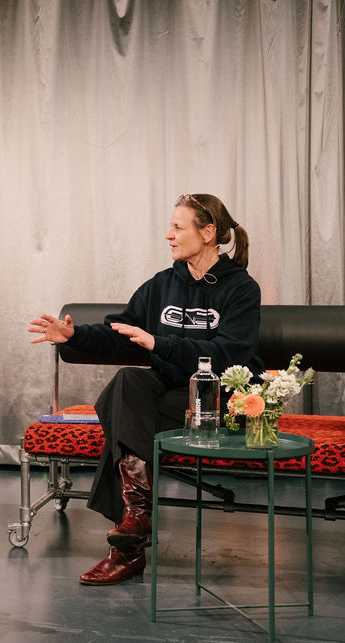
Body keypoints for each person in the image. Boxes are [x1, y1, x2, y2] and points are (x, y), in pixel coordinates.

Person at [28, 193, 265, 585]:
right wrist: (73, 336)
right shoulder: (162, 285)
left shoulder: (240, 289)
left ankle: (126, 550)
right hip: (170, 394)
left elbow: (228, 355)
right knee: (126, 383)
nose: (168, 235)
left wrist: (161, 344)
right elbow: (122, 333)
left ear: (208, 233)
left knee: (122, 416)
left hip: (220, 400)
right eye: (169, 226)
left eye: (177, 227)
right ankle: (136, 519)